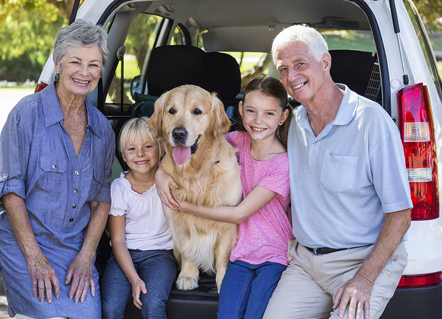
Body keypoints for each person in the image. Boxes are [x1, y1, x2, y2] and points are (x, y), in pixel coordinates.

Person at [263, 25, 413, 319]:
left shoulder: (372, 122)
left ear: (326, 62)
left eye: (300, 64)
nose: (291, 77)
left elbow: (400, 216)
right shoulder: (290, 122)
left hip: (363, 261)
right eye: (283, 69)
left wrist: (364, 279)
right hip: (306, 263)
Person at [0, 19, 115, 319]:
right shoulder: (25, 115)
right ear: (58, 63)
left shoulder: (102, 129)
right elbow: (11, 194)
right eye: (75, 62)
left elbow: (102, 200)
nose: (85, 72)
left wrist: (86, 257)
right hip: (24, 241)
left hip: (74, 247)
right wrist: (35, 259)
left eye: (94, 64)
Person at [157, 76, 294, 319]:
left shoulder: (282, 163)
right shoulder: (236, 141)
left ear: (282, 117)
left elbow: (237, 214)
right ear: (240, 110)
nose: (258, 120)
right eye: (251, 111)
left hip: (272, 254)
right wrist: (160, 173)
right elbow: (200, 148)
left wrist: (183, 205)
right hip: (239, 253)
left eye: (269, 114)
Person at [101, 117, 177, 319]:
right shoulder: (119, 188)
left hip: (161, 255)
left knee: (153, 305)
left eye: (148, 146)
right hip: (124, 255)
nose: (140, 154)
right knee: (110, 308)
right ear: (123, 156)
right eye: (132, 149)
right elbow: (117, 240)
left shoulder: (170, 181)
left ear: (160, 149)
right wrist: (134, 279)